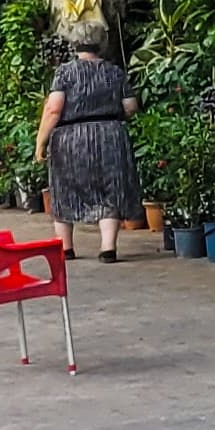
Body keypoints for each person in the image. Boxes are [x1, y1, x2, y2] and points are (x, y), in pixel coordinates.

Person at [38, 24, 140, 262]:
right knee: (110, 189)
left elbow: (53, 109)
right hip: (110, 136)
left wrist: (40, 142)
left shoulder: (65, 72)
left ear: (75, 44)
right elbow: (130, 106)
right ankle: (107, 248)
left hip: (71, 138)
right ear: (100, 44)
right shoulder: (115, 72)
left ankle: (66, 248)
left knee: (65, 189)